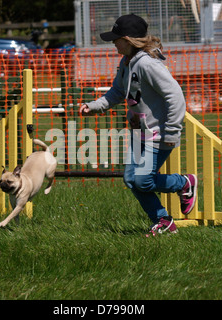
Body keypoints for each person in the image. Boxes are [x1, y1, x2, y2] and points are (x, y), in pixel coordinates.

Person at [79, 14, 198, 236]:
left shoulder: (147, 64)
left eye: (117, 39)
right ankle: (163, 221)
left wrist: (171, 131)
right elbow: (117, 91)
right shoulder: (126, 63)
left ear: (129, 39)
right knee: (131, 179)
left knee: (143, 180)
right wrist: (95, 106)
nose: (113, 43)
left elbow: (176, 96)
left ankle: (183, 183)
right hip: (139, 133)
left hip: (159, 133)